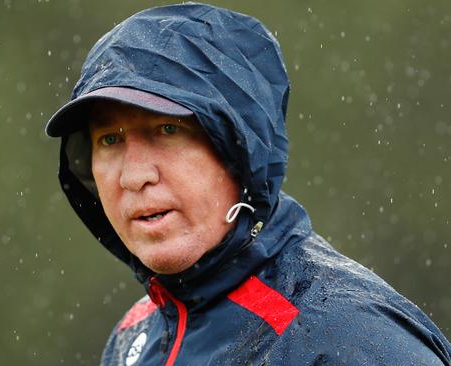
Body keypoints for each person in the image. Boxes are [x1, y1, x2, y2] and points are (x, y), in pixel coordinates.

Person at [46, 3, 451, 365]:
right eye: (109, 140)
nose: (134, 176)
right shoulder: (133, 337)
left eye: (167, 129)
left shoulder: (348, 338)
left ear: (241, 150)